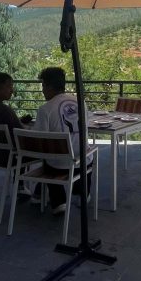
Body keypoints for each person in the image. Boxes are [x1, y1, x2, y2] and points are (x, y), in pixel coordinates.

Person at [34, 66, 85, 214]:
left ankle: (58, 202)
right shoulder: (81, 103)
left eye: (43, 86)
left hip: (59, 167)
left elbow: (39, 139)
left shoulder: (45, 109)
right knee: (88, 153)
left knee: (47, 159)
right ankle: (83, 190)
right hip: (82, 164)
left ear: (50, 87)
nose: (42, 90)